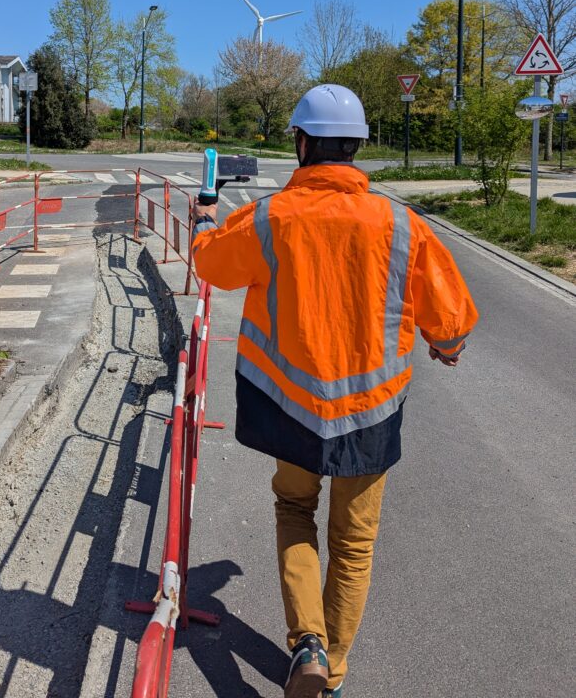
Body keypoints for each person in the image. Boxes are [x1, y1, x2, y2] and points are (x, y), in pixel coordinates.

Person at [191, 84, 478, 698]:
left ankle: (308, 644)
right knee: (354, 541)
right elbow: (450, 319)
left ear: (301, 144)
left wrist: (203, 226)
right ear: (355, 149)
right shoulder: (402, 223)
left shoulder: (269, 217)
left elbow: (214, 267)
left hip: (290, 405)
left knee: (295, 510)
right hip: (371, 414)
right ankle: (333, 673)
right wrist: (445, 345)